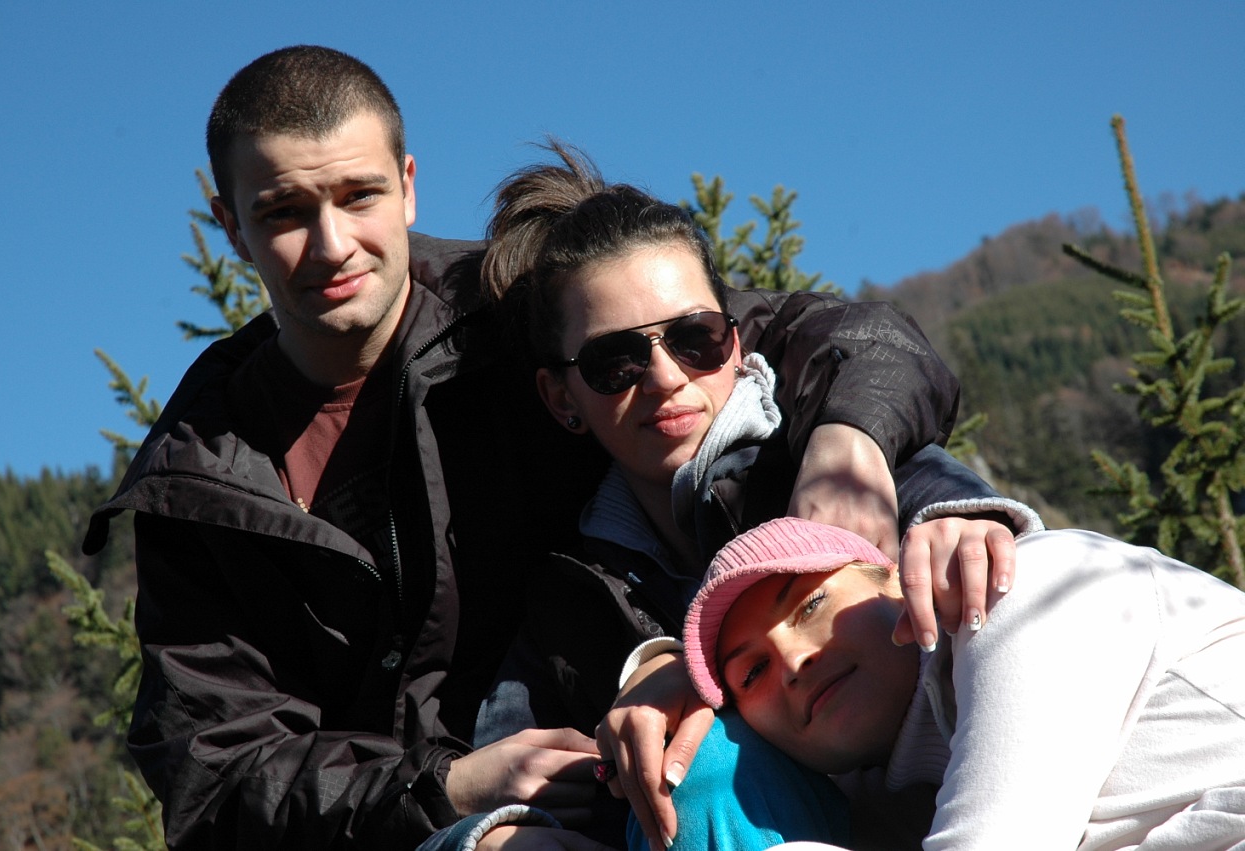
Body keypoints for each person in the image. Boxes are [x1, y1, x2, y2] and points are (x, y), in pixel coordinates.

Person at [80, 47, 974, 850]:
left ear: (408, 185)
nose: (332, 244)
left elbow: (821, 339)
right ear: (229, 224)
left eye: (359, 196)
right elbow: (214, 778)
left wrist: (850, 440)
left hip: (623, 779)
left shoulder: (522, 305)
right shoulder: (198, 484)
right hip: (443, 830)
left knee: (701, 775)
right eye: (283, 211)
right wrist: (447, 791)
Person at [419, 143, 1036, 850]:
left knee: (709, 771)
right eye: (615, 360)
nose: (664, 378)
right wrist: (496, 833)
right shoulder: (570, 595)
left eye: (694, 338)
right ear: (561, 397)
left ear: (736, 343)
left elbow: (968, 521)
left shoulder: (817, 450)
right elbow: (517, 778)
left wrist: (964, 521)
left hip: (987, 810)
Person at [681, 516, 1245, 849]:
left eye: (812, 604)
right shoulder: (884, 790)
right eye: (752, 672)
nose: (793, 660)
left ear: (897, 582)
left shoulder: (1024, 591)